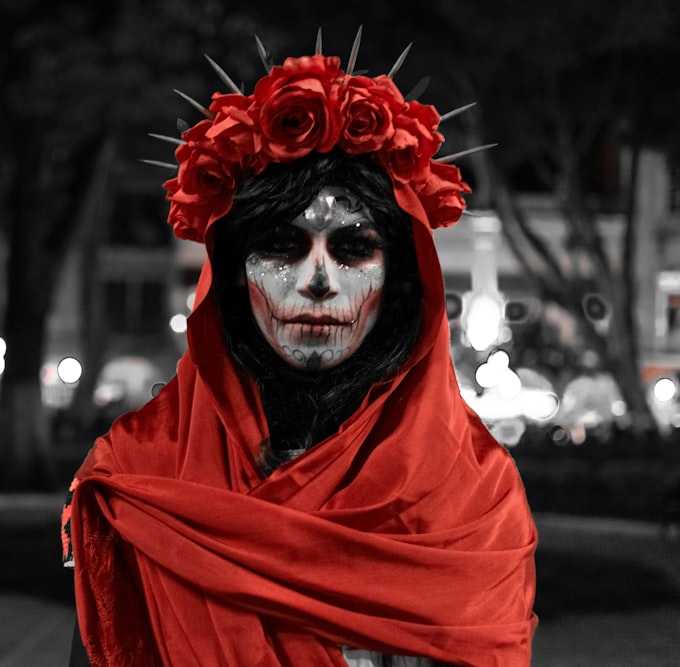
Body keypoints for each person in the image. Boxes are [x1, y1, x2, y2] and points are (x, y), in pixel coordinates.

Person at [62, 30, 537, 666]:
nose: (317, 280)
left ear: (399, 275)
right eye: (282, 247)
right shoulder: (141, 471)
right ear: (230, 274)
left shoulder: (474, 495)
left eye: (353, 248)